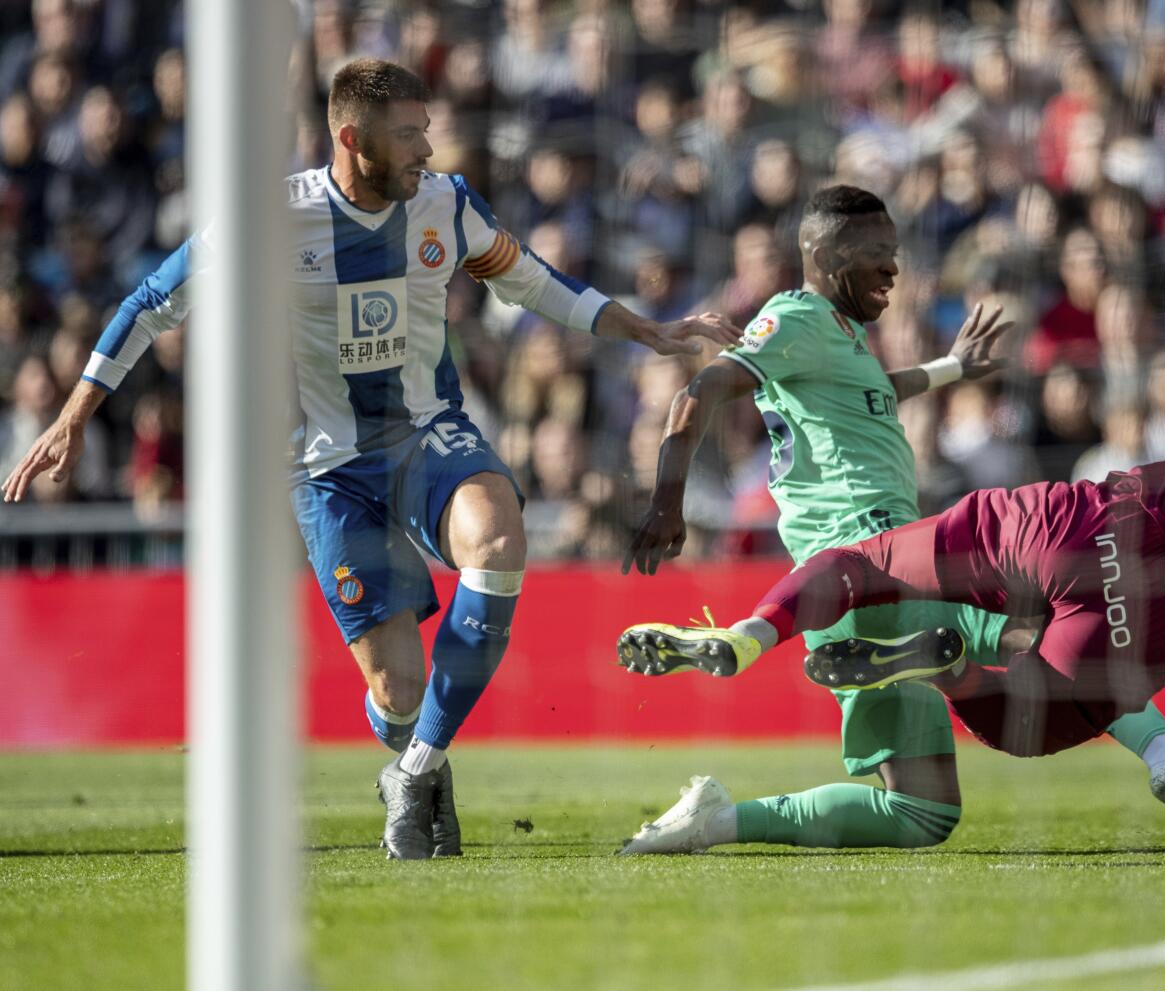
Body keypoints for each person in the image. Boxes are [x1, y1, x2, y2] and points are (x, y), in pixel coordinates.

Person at [2, 59, 738, 860]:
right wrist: (76, 413)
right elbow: (151, 303)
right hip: (326, 466)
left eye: (427, 130)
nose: (428, 148)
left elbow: (532, 282)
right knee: (397, 693)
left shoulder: (444, 205)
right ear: (352, 140)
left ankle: (414, 769)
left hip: (427, 433)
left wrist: (649, 330)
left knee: (496, 540)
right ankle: (417, 750)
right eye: (409, 134)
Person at [616, 185, 1165, 856]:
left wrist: (948, 369)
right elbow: (699, 389)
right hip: (871, 553)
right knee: (1043, 633)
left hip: (849, 583)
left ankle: (715, 815)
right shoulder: (794, 319)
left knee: (919, 810)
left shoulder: (836, 339)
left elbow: (875, 390)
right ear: (821, 255)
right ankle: (1164, 750)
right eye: (874, 253)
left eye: (894, 252)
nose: (892, 268)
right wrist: (666, 501)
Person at [622, 396, 1165, 780]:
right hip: (1151, 604)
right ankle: (947, 664)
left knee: (866, 562)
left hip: (1077, 510)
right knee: (1017, 727)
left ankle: (746, 634)